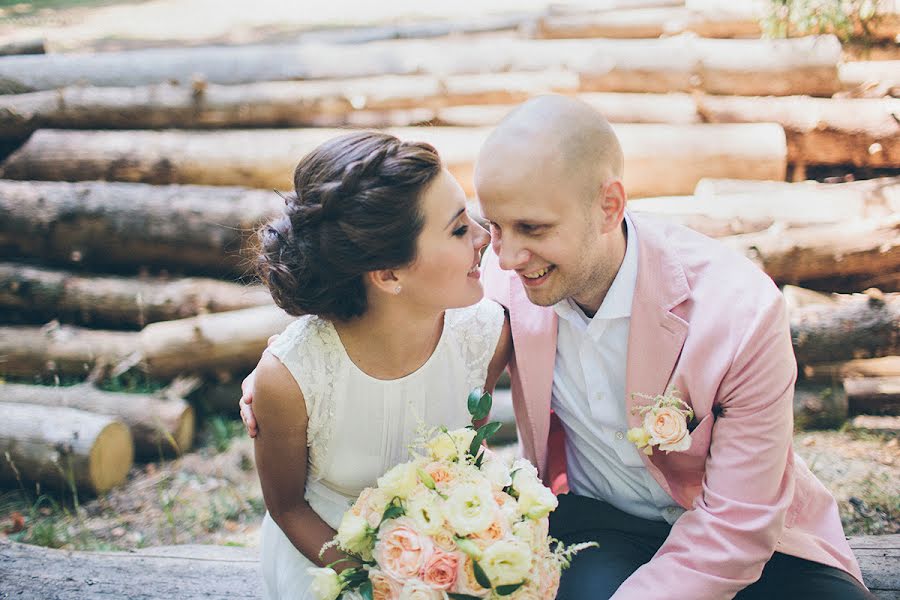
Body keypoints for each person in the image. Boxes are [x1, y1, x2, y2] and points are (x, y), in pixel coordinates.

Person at [243, 97, 872, 599]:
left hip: (749, 542)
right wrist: (280, 381)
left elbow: (740, 524)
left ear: (609, 206)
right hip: (595, 531)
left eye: (534, 229)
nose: (505, 255)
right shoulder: (492, 287)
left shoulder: (740, 314)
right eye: (490, 225)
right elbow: (379, 302)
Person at [246, 130, 510, 600]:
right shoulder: (290, 379)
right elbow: (287, 509)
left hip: (440, 552)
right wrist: (384, 584)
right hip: (324, 553)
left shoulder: (485, 335)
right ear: (389, 274)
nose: (483, 237)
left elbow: (467, 457)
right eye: (457, 229)